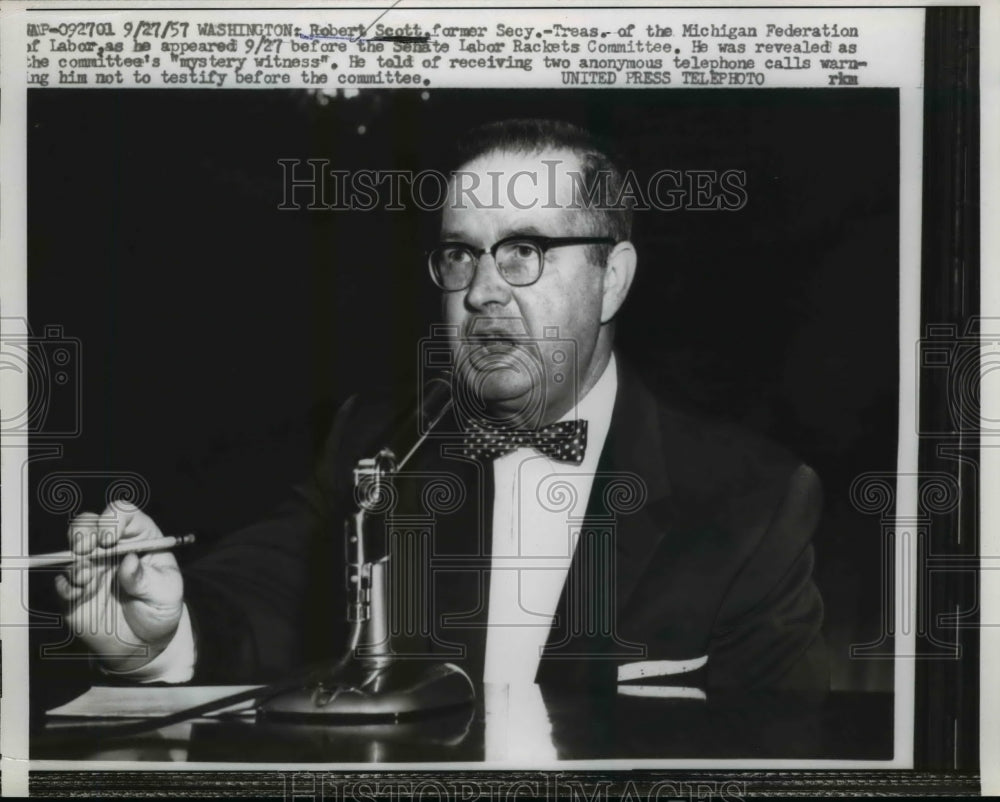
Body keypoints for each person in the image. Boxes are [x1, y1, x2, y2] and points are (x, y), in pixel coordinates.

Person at [57, 119, 828, 691]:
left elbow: (779, 750)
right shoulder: (379, 442)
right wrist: (158, 638)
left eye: (524, 252)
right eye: (461, 254)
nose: (483, 290)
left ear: (613, 277)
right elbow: (264, 592)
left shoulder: (754, 499)